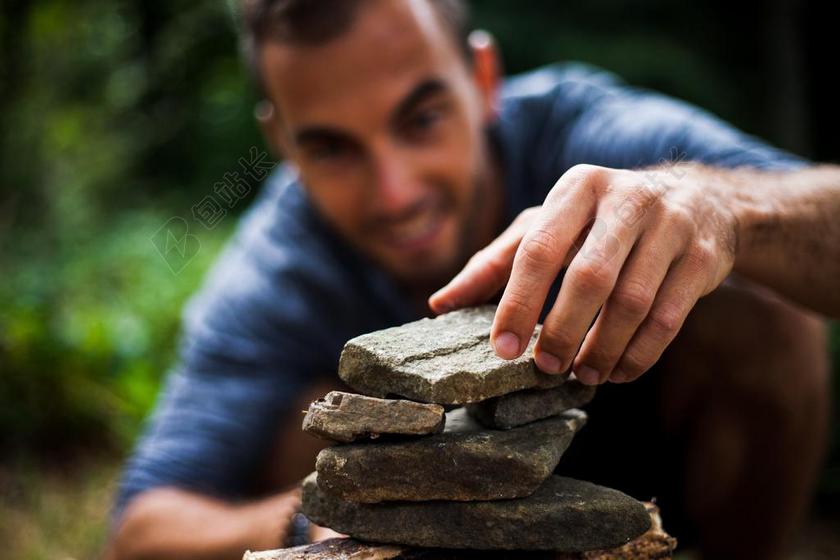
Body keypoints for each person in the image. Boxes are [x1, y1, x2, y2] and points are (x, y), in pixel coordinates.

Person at [106, 1, 840, 559]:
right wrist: (327, 509)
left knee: (762, 303)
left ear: (483, 79)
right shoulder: (279, 269)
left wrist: (731, 209)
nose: (395, 194)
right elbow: (143, 524)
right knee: (308, 419)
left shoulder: (588, 133)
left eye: (421, 117)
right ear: (281, 143)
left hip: (660, 475)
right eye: (330, 148)